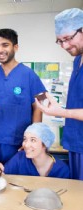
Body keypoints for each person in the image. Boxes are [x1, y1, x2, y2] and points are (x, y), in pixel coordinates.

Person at [0, 28, 46, 164]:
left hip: (18, 143)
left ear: (15, 47)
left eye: (5, 45)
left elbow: (38, 108)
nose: (0, 49)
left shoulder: (29, 75)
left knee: (15, 182)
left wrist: (32, 140)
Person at [35, 8, 83, 180]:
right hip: (75, 144)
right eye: (59, 41)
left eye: (68, 38)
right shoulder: (78, 60)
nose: (65, 46)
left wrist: (60, 112)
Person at [0, 123, 70, 179]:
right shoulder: (19, 159)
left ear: (45, 144)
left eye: (33, 140)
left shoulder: (62, 170)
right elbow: (4, 176)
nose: (26, 145)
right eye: (25, 139)